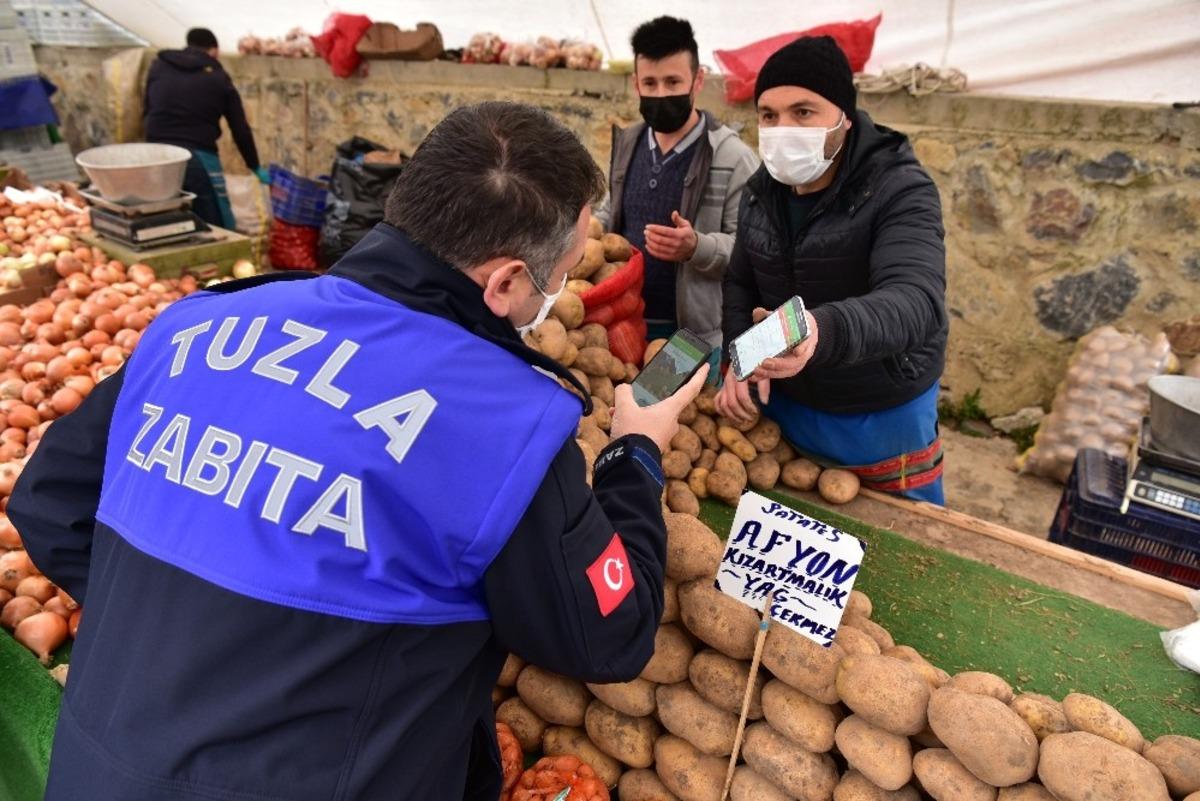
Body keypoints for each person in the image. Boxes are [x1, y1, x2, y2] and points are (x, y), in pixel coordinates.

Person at [10, 101, 707, 801]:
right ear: (504, 282)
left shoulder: (196, 324)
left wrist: (178, 630)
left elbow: (47, 503)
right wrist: (636, 450)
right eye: (560, 271)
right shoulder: (498, 420)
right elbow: (610, 635)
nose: (558, 292)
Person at [715, 36, 949, 504]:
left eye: (803, 112)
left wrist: (822, 330)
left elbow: (917, 300)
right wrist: (739, 360)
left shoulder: (900, 188)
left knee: (899, 551)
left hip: (878, 410)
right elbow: (742, 280)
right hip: (790, 402)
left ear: (843, 115)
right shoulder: (761, 192)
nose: (782, 129)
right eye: (768, 114)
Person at [593, 15, 758, 353]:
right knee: (623, 403)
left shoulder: (732, 157)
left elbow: (751, 249)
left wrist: (695, 247)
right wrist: (587, 229)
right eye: (649, 83)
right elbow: (612, 210)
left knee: (682, 407)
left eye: (672, 82)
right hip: (623, 319)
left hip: (691, 336)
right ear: (636, 82)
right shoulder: (628, 143)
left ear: (698, 80)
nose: (660, 93)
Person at [143, 27, 268, 229]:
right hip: (198, 156)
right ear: (214, 51)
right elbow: (239, 127)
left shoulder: (158, 66)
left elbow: (147, 109)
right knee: (218, 223)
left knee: (165, 219)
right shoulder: (218, 76)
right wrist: (254, 165)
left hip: (155, 154)